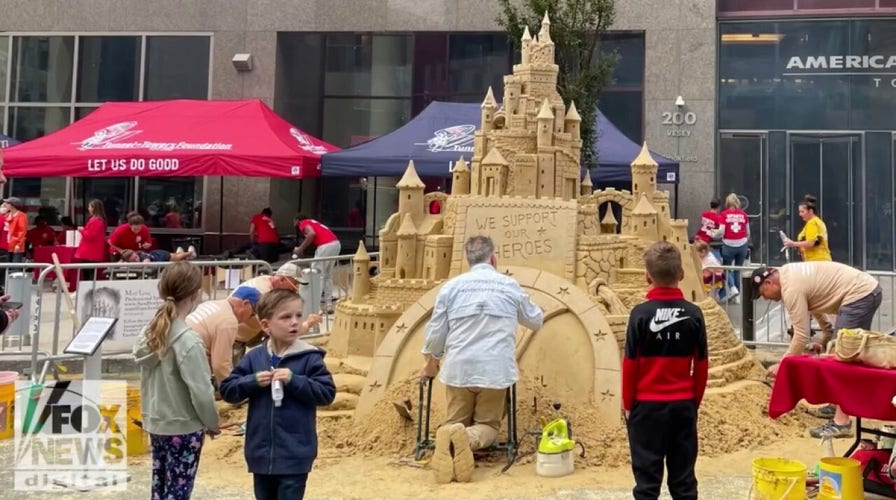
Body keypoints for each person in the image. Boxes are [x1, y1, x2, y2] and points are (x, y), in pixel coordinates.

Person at [420, 235, 544, 484]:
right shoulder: (508, 286)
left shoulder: (451, 288)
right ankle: (467, 439)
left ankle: (450, 436)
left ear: (468, 260)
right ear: (494, 259)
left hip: (458, 368)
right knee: (488, 426)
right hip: (494, 370)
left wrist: (431, 362)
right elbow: (535, 320)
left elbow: (435, 333)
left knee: (455, 421)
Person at [220, 290, 334, 500]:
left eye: (298, 316)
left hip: (295, 455)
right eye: (286, 317)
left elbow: (326, 393)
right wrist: (252, 381)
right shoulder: (254, 357)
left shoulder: (310, 357)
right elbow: (228, 390)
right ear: (265, 325)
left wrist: (295, 380)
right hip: (260, 455)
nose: (295, 322)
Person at [753, 262, 882, 438]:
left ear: (769, 283)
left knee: (842, 358)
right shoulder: (789, 274)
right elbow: (818, 309)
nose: (766, 299)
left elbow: (801, 334)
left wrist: (782, 364)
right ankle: (838, 404)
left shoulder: (791, 289)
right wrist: (825, 340)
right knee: (845, 352)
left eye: (763, 294)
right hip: (865, 291)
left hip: (859, 294)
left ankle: (842, 423)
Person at [623, 241, 708, 500]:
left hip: (646, 408)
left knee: (646, 483)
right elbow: (702, 365)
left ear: (648, 276)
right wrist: (693, 402)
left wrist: (629, 405)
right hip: (682, 405)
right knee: (684, 482)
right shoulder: (694, 314)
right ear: (681, 274)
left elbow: (630, 365)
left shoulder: (639, 315)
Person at [132, 261, 221, 499]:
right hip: (184, 426)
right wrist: (212, 422)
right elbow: (201, 391)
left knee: (159, 485)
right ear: (196, 294)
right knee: (179, 490)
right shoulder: (188, 341)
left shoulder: (150, 332)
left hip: (157, 421)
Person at [187, 285, 261, 389]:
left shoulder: (211, 303)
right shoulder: (228, 321)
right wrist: (231, 391)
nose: (249, 318)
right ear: (246, 304)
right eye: (252, 314)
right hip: (191, 364)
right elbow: (221, 365)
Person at [232, 262, 303, 349]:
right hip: (234, 337)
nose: (295, 289)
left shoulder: (266, 281)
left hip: (242, 335)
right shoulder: (262, 292)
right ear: (282, 280)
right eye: (294, 284)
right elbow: (269, 324)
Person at [293, 214, 341, 309]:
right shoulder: (313, 222)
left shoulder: (303, 223)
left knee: (316, 274)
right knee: (327, 275)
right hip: (335, 244)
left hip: (325, 245)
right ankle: (328, 304)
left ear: (298, 220)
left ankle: (315, 305)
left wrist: (300, 249)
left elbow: (311, 234)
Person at [718, 193, 750, 303]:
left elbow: (721, 231)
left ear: (727, 203)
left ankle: (733, 288)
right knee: (737, 269)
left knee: (726, 268)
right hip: (742, 244)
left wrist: (714, 234)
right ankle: (737, 297)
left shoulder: (724, 214)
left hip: (728, 244)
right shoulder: (744, 215)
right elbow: (748, 232)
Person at [782, 194, 830, 262]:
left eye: (802, 211)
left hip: (816, 261)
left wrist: (793, 243)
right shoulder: (818, 222)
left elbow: (810, 243)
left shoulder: (812, 223)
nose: (800, 214)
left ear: (810, 211)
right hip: (819, 260)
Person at [74, 199, 108, 281]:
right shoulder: (97, 220)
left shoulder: (96, 220)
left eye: (89, 207)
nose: (88, 208)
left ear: (94, 208)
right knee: (89, 273)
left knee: (88, 273)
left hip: (90, 252)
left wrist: (82, 230)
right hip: (91, 251)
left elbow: (91, 235)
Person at [3, 198, 27, 263]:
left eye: (8, 203)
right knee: (5, 265)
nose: (6, 205)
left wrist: (19, 244)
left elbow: (22, 231)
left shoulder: (21, 215)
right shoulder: (6, 215)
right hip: (6, 245)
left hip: (16, 245)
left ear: (13, 205)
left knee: (15, 267)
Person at [120, 246, 197, 263]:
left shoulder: (142, 256)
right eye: (133, 260)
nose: (135, 259)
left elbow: (147, 262)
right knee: (175, 256)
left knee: (176, 258)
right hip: (157, 254)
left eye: (135, 257)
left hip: (160, 256)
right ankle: (180, 253)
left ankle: (190, 253)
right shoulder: (129, 259)